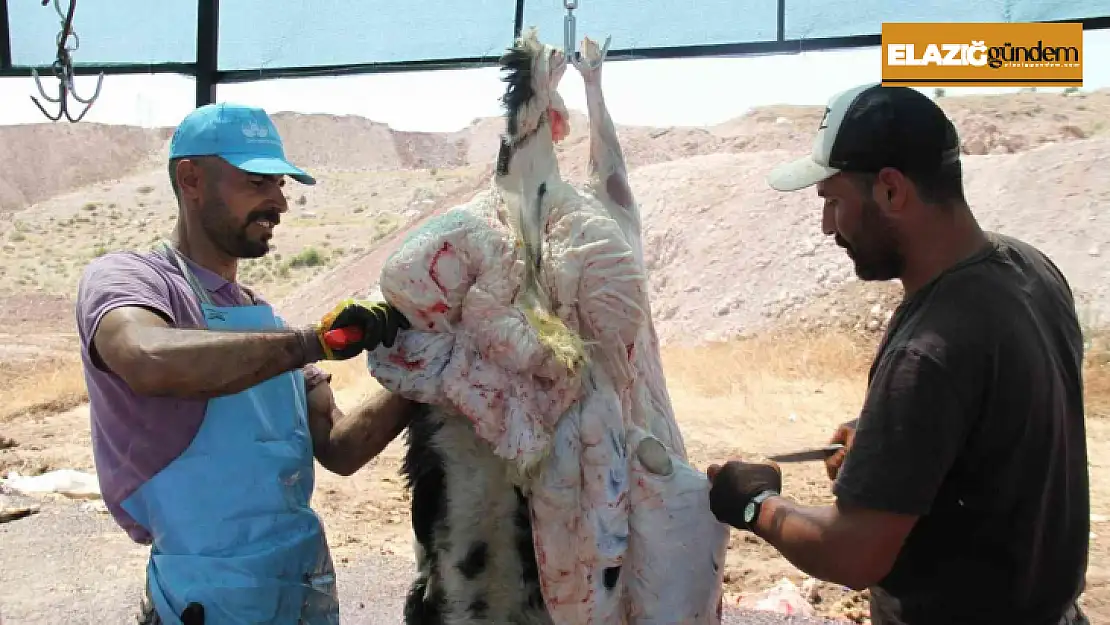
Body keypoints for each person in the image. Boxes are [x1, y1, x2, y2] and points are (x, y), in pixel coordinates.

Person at [705, 83, 1090, 625]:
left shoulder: (931, 348)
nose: (827, 227)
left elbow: (853, 552)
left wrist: (754, 504)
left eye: (834, 202)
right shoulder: (1029, 270)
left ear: (891, 191)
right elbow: (1003, 424)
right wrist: (893, 443)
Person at [74, 102, 414, 625]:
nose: (279, 201)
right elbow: (146, 358)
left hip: (303, 589)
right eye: (257, 181)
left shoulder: (266, 324)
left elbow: (341, 450)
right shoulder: (131, 281)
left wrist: (424, 374)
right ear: (190, 179)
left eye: (280, 184)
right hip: (205, 601)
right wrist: (310, 343)